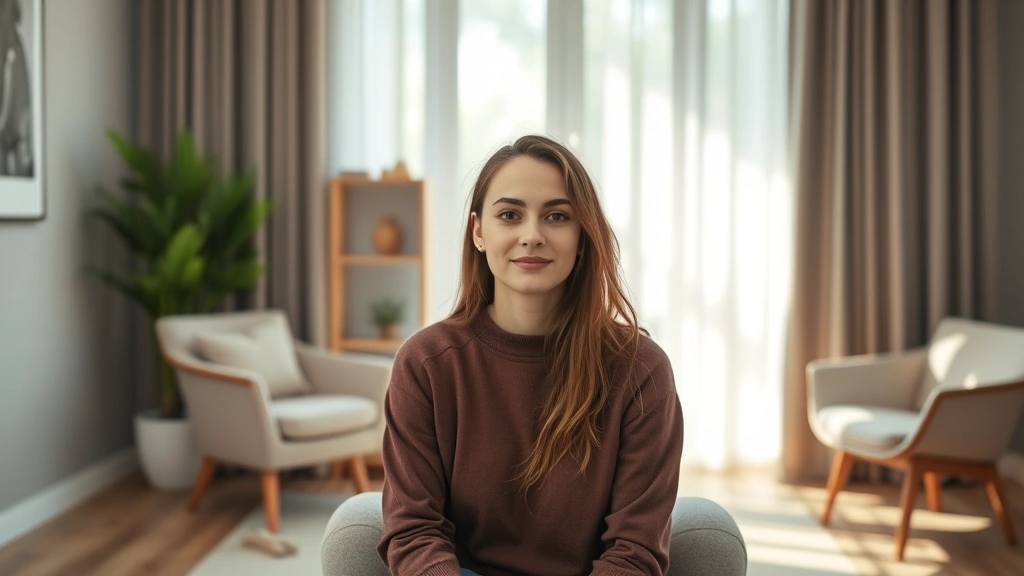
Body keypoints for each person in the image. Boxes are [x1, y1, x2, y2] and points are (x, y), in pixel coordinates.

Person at [377, 135, 684, 576]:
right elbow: (414, 531)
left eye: (557, 216)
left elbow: (635, 551)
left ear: (582, 237)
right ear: (479, 232)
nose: (532, 235)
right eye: (509, 215)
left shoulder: (641, 370)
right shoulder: (426, 364)